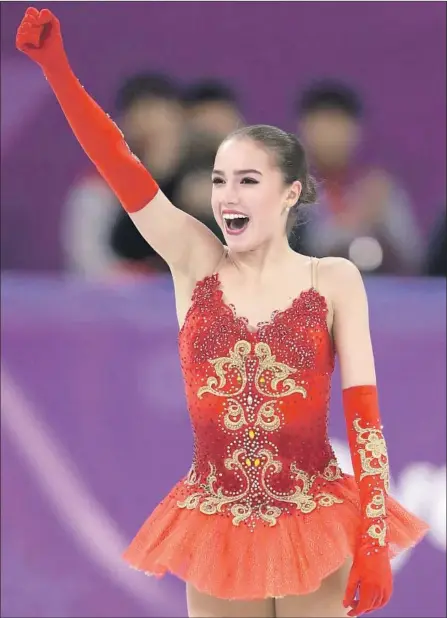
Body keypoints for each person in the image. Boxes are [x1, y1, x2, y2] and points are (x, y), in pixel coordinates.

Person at [16, 9, 428, 618]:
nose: (227, 195)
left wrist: (370, 538)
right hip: (218, 526)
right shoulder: (194, 261)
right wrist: (58, 71)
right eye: (218, 180)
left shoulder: (331, 279)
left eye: (247, 180)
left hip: (313, 519)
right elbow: (118, 164)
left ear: (290, 193)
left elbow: (364, 417)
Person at [61, 71, 185, 277]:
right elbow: (89, 261)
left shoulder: (201, 181)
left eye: (161, 116)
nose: (152, 126)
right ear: (123, 123)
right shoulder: (97, 186)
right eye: (143, 115)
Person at [295, 80, 423, 275]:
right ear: (304, 130)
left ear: (356, 131)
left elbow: (413, 256)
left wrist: (381, 223)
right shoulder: (287, 190)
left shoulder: (378, 189)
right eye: (323, 126)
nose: (331, 137)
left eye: (339, 125)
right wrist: (352, 221)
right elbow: (303, 250)